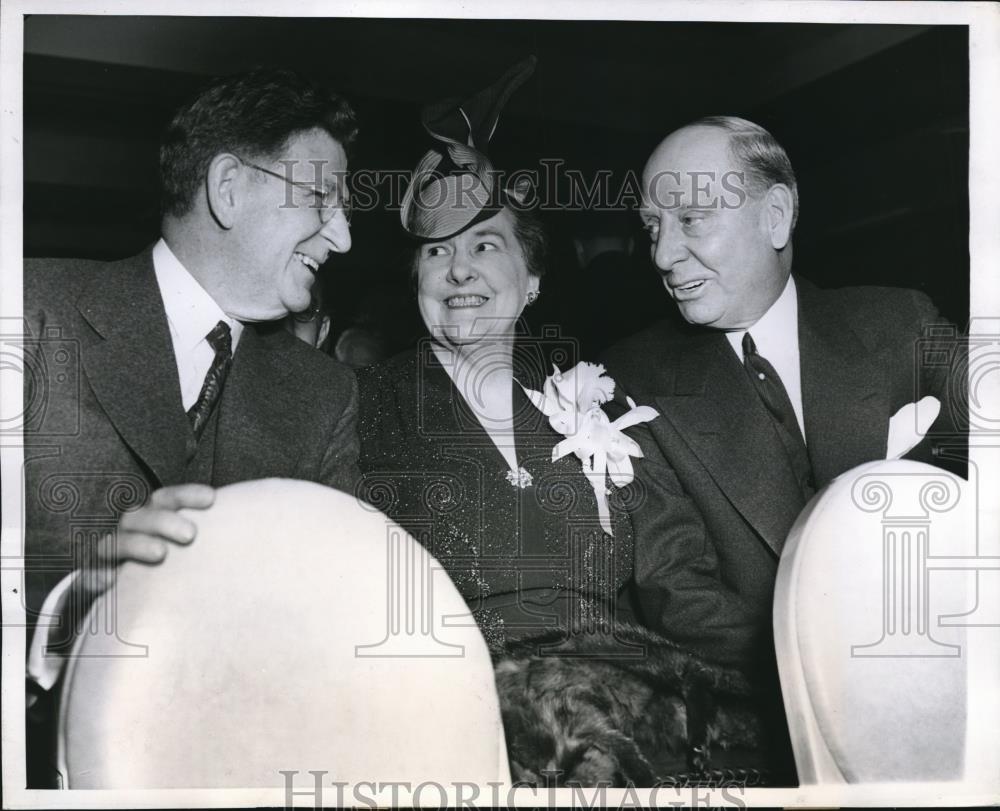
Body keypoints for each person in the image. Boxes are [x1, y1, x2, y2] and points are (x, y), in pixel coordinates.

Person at [23, 67, 359, 785]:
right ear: (229, 188)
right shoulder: (26, 313)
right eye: (322, 200)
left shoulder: (324, 393)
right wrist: (69, 607)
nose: (345, 237)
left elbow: (333, 618)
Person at [600, 115, 965, 679]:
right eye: (653, 228)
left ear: (774, 216)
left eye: (691, 219)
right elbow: (682, 597)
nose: (663, 255)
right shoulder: (629, 383)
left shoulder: (902, 324)